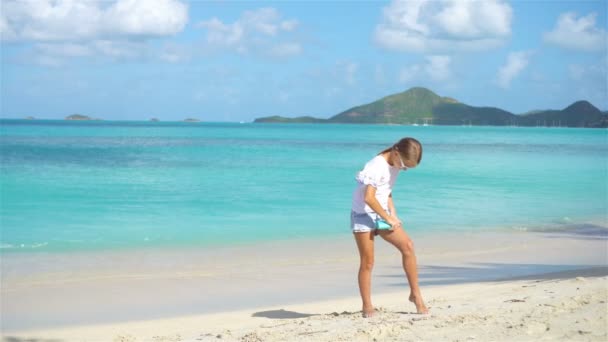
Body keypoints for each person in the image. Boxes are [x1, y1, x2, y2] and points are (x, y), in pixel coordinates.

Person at [350, 137, 428, 317]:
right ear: (395, 151)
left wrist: (393, 213)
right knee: (368, 262)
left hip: (382, 213)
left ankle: (415, 295)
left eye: (406, 168)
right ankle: (367, 306)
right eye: (403, 164)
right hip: (363, 215)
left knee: (407, 246)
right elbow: (368, 198)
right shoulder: (376, 166)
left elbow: (386, 190)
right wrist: (388, 218)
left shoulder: (395, 164)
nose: (402, 168)